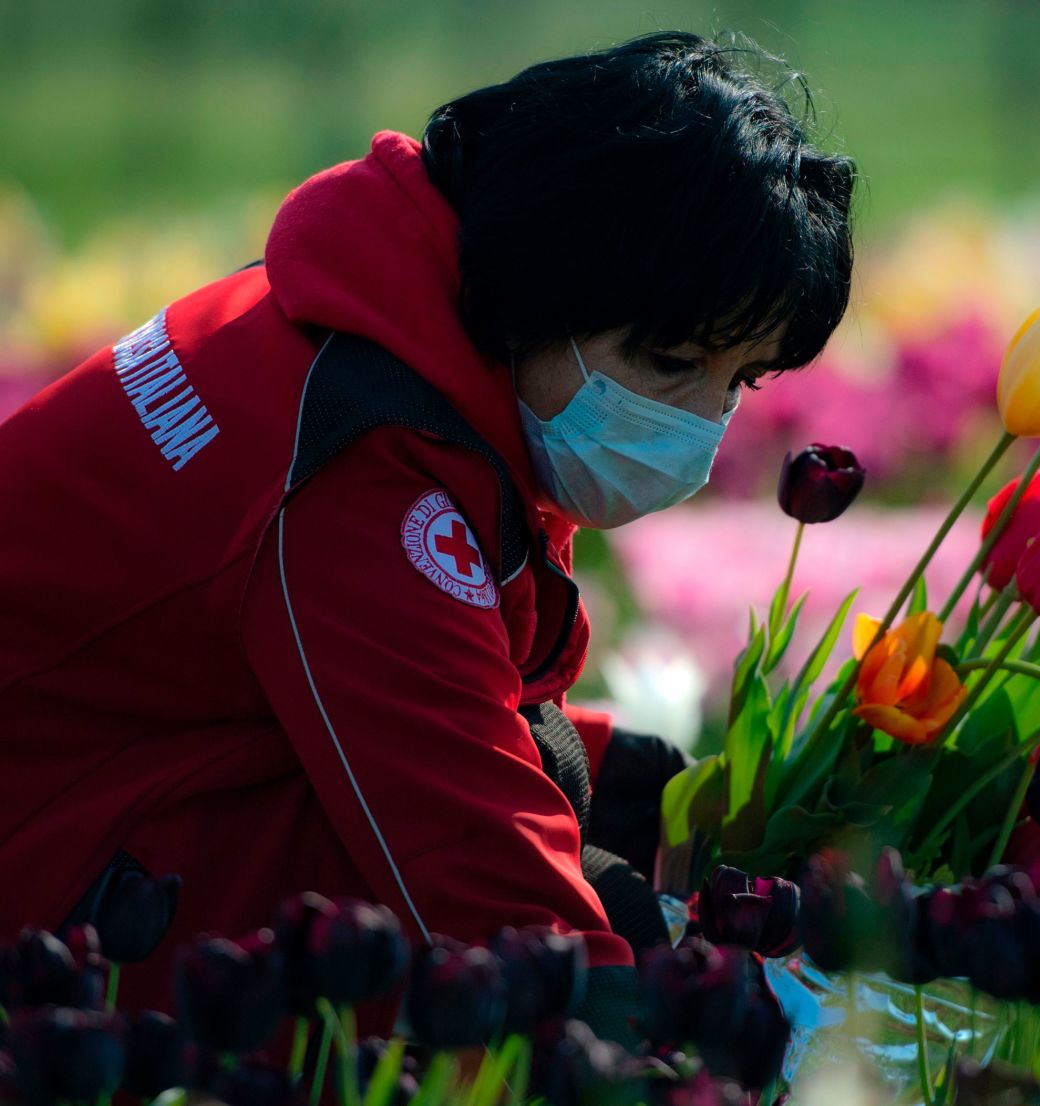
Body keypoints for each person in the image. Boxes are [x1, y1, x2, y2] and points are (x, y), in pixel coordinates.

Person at [0, 30, 855, 1035]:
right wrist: (677, 1048)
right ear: (552, 278)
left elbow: (426, 690)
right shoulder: (363, 458)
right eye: (670, 359)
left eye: (739, 379)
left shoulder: (393, 334)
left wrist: (641, 791)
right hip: (47, 883)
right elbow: (464, 848)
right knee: (439, 941)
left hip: (97, 782)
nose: (700, 421)